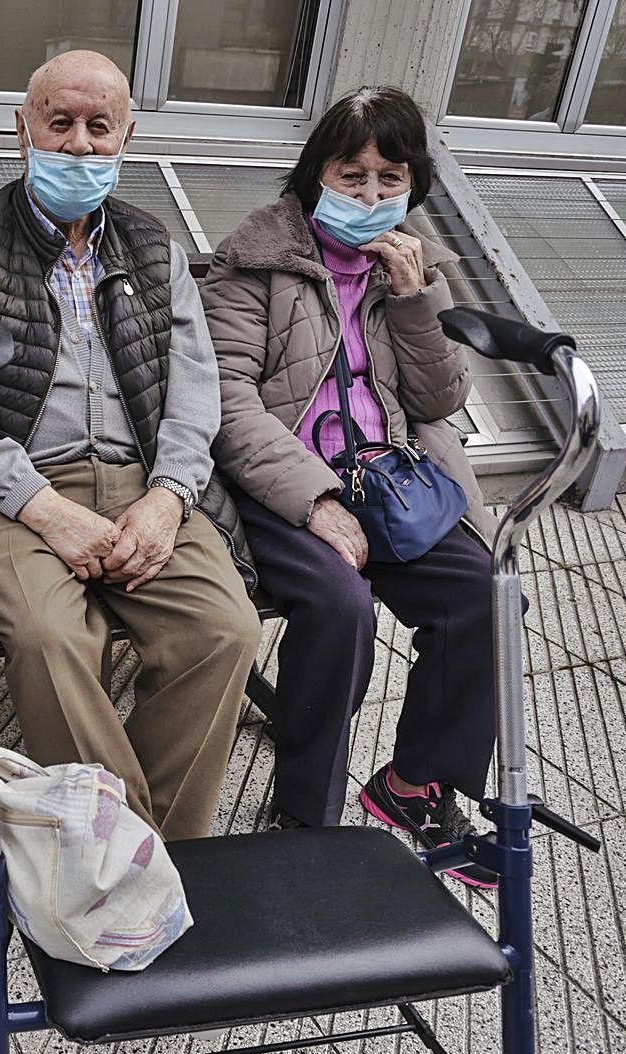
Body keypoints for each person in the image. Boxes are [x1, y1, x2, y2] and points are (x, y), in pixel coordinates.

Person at [0, 50, 261, 842]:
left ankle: (156, 852)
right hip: (12, 494)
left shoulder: (150, 246)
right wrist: (44, 510)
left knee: (223, 632)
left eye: (97, 127)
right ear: (21, 130)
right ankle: (122, 853)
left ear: (126, 136)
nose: (77, 144)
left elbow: (194, 388)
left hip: (144, 485)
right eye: (58, 122)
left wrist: (170, 498)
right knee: (48, 638)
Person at [201, 86, 498, 887]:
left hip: (388, 482)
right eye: (351, 174)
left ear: (413, 186)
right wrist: (315, 499)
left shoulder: (413, 269)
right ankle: (306, 809)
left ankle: (412, 783)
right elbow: (225, 401)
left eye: (389, 179)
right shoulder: (252, 264)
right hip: (280, 488)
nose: (369, 196)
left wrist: (415, 303)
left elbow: (440, 401)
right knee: (340, 606)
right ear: (314, 176)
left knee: (485, 595)